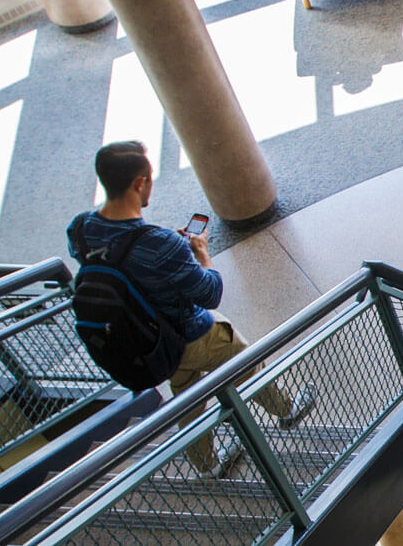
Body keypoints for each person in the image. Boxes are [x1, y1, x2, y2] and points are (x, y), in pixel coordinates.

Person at [70, 141, 314, 476]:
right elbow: (210, 293)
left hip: (145, 344)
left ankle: (206, 464)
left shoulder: (81, 229)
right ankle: (285, 410)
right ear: (139, 183)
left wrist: (167, 257)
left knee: (187, 394)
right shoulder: (160, 243)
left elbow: (116, 261)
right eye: (149, 179)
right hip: (188, 334)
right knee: (241, 358)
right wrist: (200, 253)